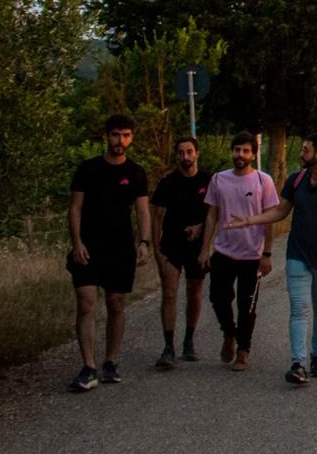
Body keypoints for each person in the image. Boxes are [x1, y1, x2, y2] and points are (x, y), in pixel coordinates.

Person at [227, 133, 317, 385]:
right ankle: (299, 363)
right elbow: (280, 210)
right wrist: (250, 221)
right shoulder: (296, 180)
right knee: (299, 309)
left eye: (305, 150)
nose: (301, 153)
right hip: (297, 254)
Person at [66, 114, 151, 392]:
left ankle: (110, 361)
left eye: (126, 135)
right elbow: (75, 207)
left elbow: (142, 211)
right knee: (86, 301)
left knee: (116, 303)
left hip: (120, 247)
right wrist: (76, 241)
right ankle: (88, 367)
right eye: (116, 135)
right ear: (106, 136)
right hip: (89, 245)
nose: (120, 140)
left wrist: (144, 242)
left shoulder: (136, 173)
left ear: (131, 138)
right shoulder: (88, 169)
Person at [199, 132, 278, 373]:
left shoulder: (263, 181)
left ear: (253, 154)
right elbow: (211, 214)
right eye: (236, 150)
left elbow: (270, 219)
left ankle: (243, 350)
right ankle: (229, 333)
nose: (240, 155)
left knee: (248, 305)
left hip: (251, 254)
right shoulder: (218, 179)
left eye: (245, 151)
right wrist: (205, 249)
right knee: (217, 298)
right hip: (223, 251)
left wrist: (267, 253)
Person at [150, 135, 212, 369]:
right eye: (181, 152)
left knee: (194, 292)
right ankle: (168, 347)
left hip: (198, 247)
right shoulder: (168, 183)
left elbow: (215, 214)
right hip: (171, 245)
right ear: (176, 155)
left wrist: (201, 230)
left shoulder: (209, 181)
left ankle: (189, 341)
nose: (185, 156)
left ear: (197, 153)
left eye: (189, 152)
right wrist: (156, 250)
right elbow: (156, 216)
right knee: (169, 294)